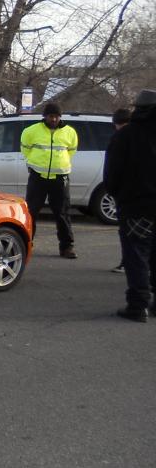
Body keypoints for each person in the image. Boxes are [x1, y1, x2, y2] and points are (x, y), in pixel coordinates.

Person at [104, 89, 156, 322]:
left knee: (136, 255)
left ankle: (138, 305)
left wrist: (119, 195)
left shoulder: (126, 135)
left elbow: (112, 174)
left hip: (136, 206)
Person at [20, 101, 79, 258]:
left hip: (60, 179)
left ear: (60, 117)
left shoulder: (70, 132)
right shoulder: (31, 131)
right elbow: (25, 149)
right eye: (51, 116)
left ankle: (67, 247)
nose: (54, 119)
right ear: (45, 116)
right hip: (38, 177)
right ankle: (26, 244)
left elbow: (71, 150)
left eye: (56, 117)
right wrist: (35, 164)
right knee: (31, 211)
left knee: (63, 213)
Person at [110, 107, 131, 273]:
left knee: (128, 233)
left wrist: (113, 190)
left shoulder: (119, 139)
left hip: (128, 196)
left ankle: (127, 262)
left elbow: (112, 170)